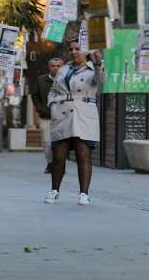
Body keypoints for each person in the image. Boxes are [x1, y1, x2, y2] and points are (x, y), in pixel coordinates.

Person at [45, 41, 104, 206]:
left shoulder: (94, 69)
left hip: (83, 115)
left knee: (83, 156)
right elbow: (53, 89)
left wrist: (99, 63)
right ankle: (54, 190)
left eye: (78, 49)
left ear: (86, 52)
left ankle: (84, 193)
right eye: (71, 49)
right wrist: (52, 103)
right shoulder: (64, 69)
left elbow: (101, 82)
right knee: (58, 157)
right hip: (62, 115)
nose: (74, 52)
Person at [31, 58, 64, 174]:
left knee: (61, 142)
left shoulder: (67, 79)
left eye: (58, 66)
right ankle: (50, 163)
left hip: (63, 116)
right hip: (46, 116)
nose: (56, 68)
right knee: (47, 142)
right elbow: (34, 96)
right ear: (49, 67)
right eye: (53, 66)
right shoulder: (41, 80)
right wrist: (41, 109)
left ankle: (59, 164)